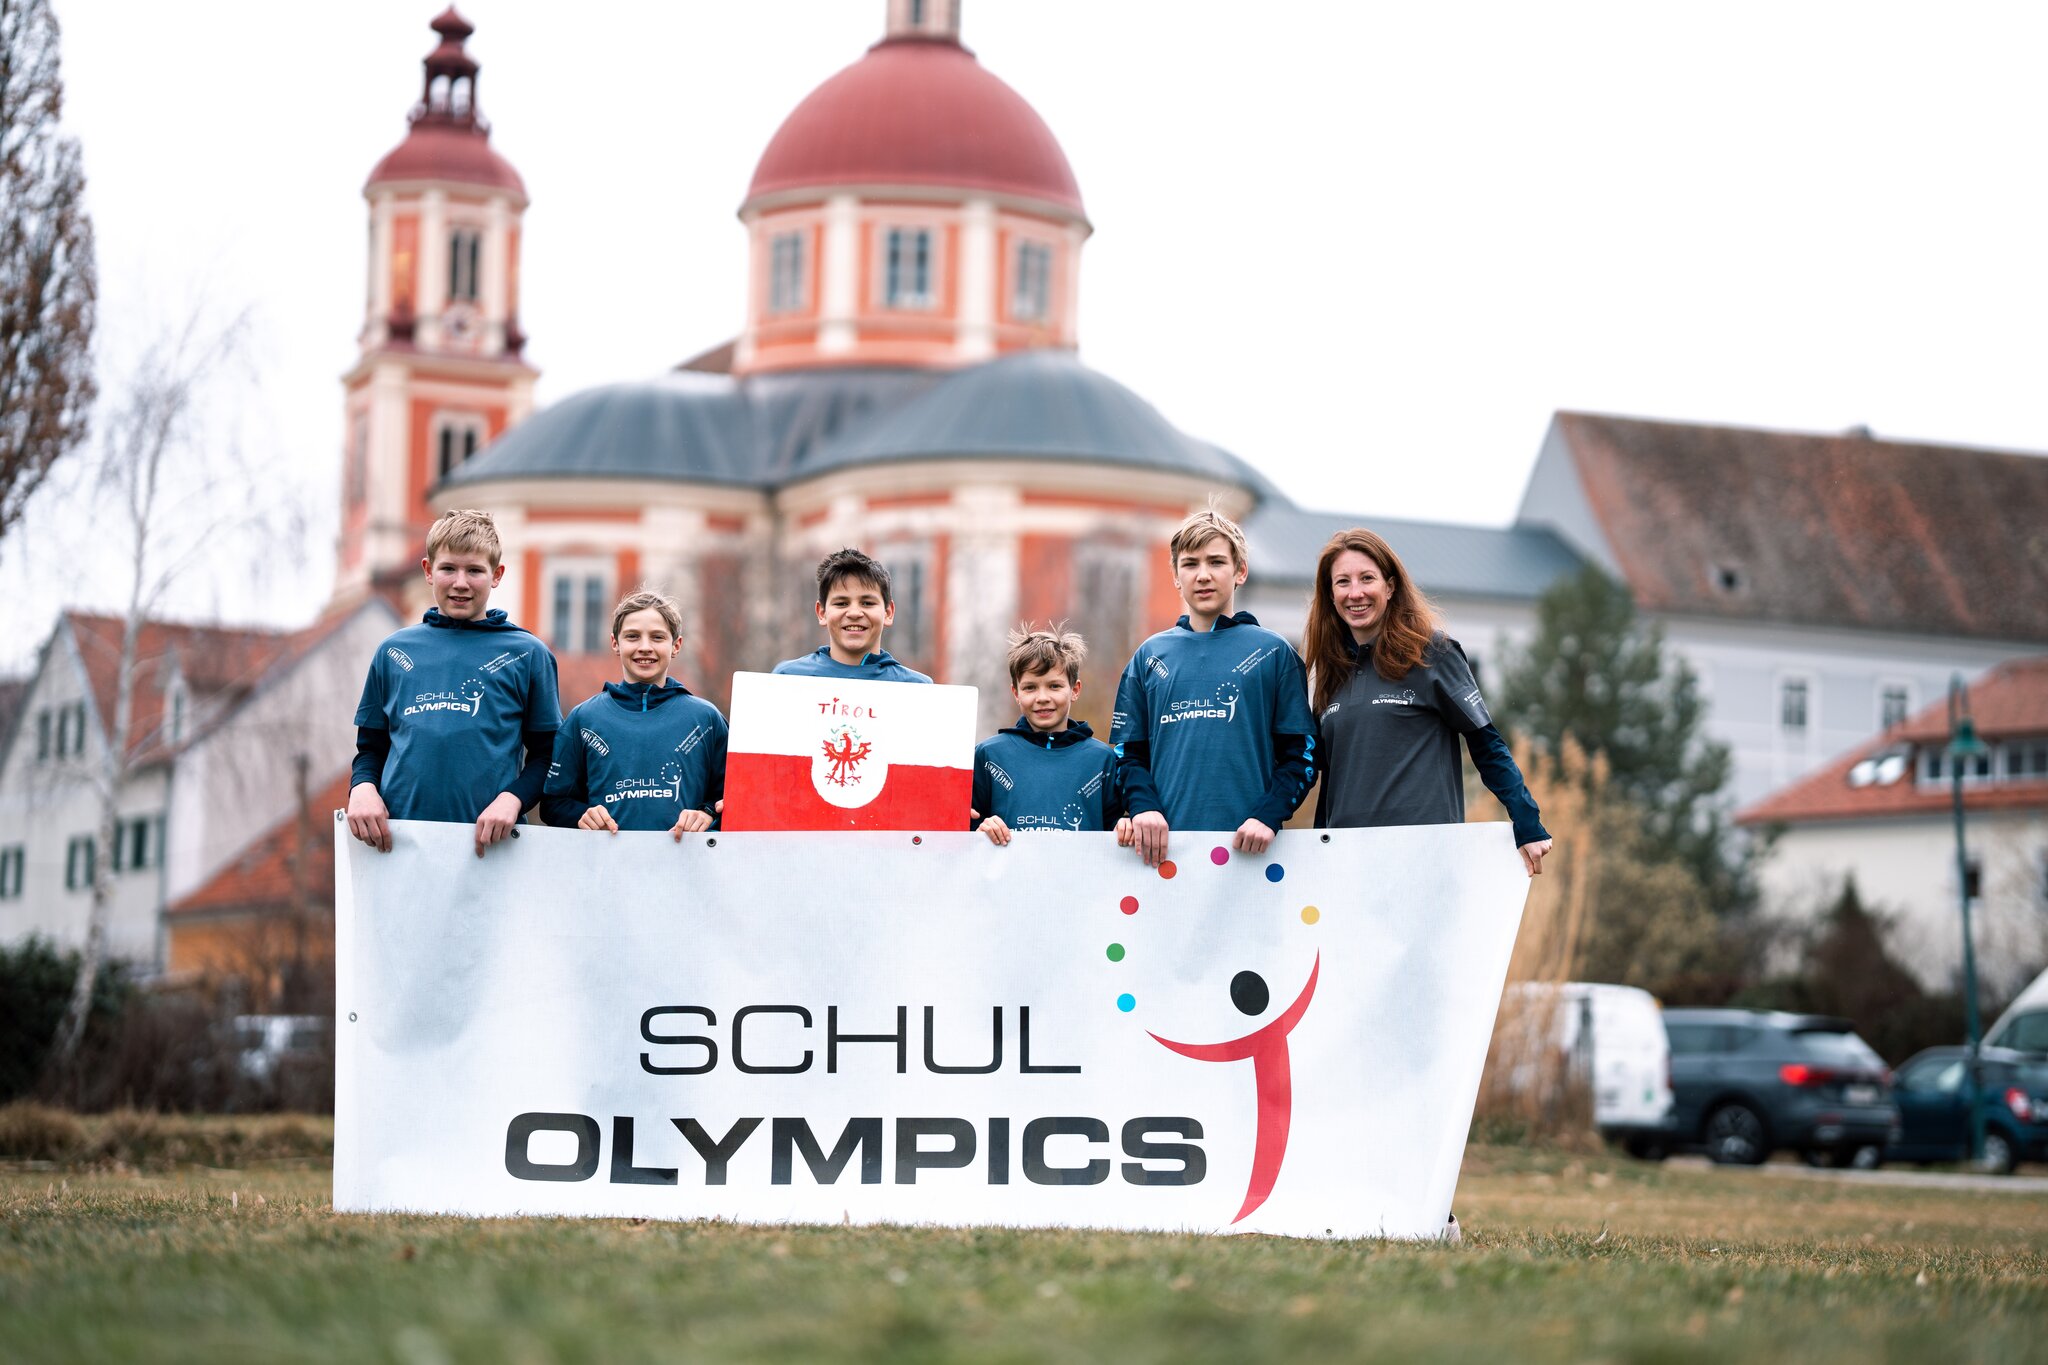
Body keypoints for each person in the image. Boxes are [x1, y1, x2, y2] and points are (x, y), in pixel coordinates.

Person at [1304, 526, 1551, 876]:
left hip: (1423, 859)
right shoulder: (1332, 671)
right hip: (1346, 863)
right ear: (1330, 595)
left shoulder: (1433, 654)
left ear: (1390, 587)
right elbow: (1312, 769)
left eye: (1367, 578)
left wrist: (1527, 820)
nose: (1355, 593)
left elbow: (1486, 744)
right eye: (1342, 582)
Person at [346, 509, 563, 857]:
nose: (460, 582)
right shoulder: (393, 653)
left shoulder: (528, 655)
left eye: (475, 570)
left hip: (491, 850)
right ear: (429, 571)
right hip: (398, 845)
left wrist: (513, 799)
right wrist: (362, 788)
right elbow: (371, 748)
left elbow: (549, 754)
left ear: (497, 575)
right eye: (448, 568)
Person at [1111, 508, 1316, 867]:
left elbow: (1302, 756)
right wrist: (1143, 807)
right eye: (1190, 564)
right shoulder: (1148, 657)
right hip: (1164, 856)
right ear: (1175, 575)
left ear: (1240, 571)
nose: (1203, 575)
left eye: (1216, 562)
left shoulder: (1274, 653)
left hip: (1250, 856)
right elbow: (1127, 754)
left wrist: (1268, 816)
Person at [541, 590, 728, 840]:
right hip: (607, 874)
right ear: (615, 643)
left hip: (684, 873)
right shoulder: (584, 719)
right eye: (632, 636)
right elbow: (553, 804)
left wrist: (707, 813)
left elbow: (733, 799)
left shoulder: (705, 720)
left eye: (658, 637)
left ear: (676, 646)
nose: (645, 647)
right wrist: (582, 815)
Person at [971, 626, 1130, 844]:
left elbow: (1115, 834)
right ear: (1015, 693)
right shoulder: (988, 757)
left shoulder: (1103, 760)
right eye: (1030, 688)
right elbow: (959, 835)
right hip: (1012, 879)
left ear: (1075, 690)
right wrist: (977, 833)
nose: (1042, 697)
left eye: (1054, 686)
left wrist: (1124, 826)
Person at [771, 548, 932, 683]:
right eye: (841, 603)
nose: (854, 613)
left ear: (888, 613)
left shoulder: (915, 688)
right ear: (822, 613)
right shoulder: (788, 678)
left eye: (867, 603)